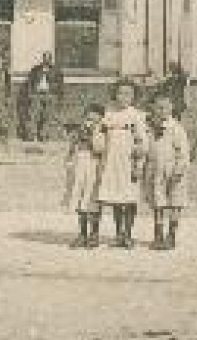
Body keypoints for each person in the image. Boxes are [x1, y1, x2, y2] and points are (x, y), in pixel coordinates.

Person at [95, 79, 149, 248]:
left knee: (129, 197)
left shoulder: (137, 115)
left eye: (128, 94)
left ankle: (128, 233)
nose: (123, 97)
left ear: (133, 96)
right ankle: (119, 233)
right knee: (116, 198)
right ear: (115, 94)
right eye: (120, 93)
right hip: (112, 160)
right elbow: (101, 135)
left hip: (128, 160)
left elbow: (142, 140)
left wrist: (138, 161)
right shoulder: (109, 114)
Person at [141, 92, 193, 250]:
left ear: (171, 108)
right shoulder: (149, 128)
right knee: (158, 202)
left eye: (165, 107)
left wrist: (179, 169)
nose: (161, 110)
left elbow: (183, 152)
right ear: (152, 108)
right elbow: (145, 148)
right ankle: (158, 235)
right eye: (158, 107)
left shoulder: (176, 128)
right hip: (155, 170)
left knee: (175, 202)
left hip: (173, 170)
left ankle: (171, 234)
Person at [63, 105, 106, 249]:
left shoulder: (102, 132)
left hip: (94, 166)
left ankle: (94, 234)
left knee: (93, 200)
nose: (91, 122)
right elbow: (72, 148)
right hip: (80, 166)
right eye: (88, 119)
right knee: (80, 199)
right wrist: (69, 163)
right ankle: (82, 234)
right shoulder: (78, 132)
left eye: (95, 120)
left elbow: (100, 149)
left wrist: (93, 132)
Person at [21, 51, 64, 142]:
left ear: (51, 60)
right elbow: (29, 83)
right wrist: (31, 94)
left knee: (47, 116)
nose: (47, 60)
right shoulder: (36, 70)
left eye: (49, 58)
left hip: (50, 95)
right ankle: (31, 135)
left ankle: (44, 136)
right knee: (33, 115)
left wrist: (57, 96)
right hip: (37, 95)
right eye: (45, 58)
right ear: (43, 59)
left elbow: (60, 85)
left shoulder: (56, 71)